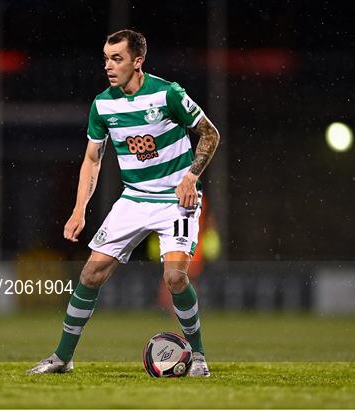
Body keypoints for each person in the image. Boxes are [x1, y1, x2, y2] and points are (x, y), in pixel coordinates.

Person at [27, 29, 220, 377]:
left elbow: (210, 133)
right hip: (133, 199)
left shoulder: (167, 94)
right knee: (90, 272)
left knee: (175, 278)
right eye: (105, 58)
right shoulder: (103, 104)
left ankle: (200, 356)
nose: (109, 66)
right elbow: (92, 158)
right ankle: (62, 358)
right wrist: (78, 209)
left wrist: (191, 175)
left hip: (176, 199)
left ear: (138, 61)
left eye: (117, 58)